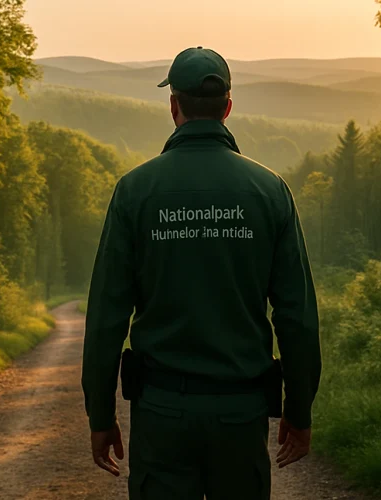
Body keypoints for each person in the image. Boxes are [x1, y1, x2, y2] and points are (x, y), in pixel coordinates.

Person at [80, 46, 322, 499]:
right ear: (228, 107)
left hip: (161, 414)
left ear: (174, 106)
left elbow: (106, 317)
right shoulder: (270, 192)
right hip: (242, 414)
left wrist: (100, 415)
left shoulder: (135, 192)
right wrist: (299, 410)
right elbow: (296, 316)